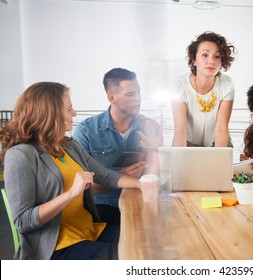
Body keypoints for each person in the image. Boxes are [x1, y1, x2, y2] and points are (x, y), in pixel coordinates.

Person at [0, 82, 145, 260]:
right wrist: (71, 194)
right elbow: (23, 221)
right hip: (57, 245)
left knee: (145, 241)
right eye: (69, 109)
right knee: (133, 257)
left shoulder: (68, 145)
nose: (74, 113)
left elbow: (104, 174)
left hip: (88, 229)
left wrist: (143, 184)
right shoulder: (20, 155)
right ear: (50, 114)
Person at [73, 68, 162, 225]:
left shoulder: (150, 126)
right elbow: (86, 187)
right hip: (103, 205)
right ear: (111, 98)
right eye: (130, 94)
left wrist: (154, 149)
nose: (138, 99)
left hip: (143, 199)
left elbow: (153, 177)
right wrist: (119, 176)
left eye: (139, 93)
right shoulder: (86, 130)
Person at [172, 31, 236, 147]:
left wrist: (218, 162)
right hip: (187, 142)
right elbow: (180, 129)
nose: (211, 61)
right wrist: (180, 160)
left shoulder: (226, 84)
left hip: (216, 140)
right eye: (205, 55)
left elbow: (222, 128)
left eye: (217, 56)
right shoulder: (179, 85)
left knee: (221, 163)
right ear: (194, 60)